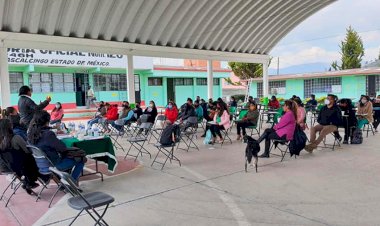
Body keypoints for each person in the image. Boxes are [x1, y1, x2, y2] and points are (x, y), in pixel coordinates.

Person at [27, 111, 85, 182]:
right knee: (81, 159)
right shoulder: (48, 135)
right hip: (54, 165)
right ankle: (71, 182)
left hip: (41, 165)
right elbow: (62, 148)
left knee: (69, 156)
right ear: (47, 121)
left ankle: (65, 181)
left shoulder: (30, 135)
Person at [0, 119, 40, 192]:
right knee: (32, 157)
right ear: (10, 127)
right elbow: (27, 150)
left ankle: (27, 181)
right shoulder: (16, 138)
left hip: (8, 167)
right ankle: (29, 181)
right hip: (22, 167)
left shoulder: (2, 141)